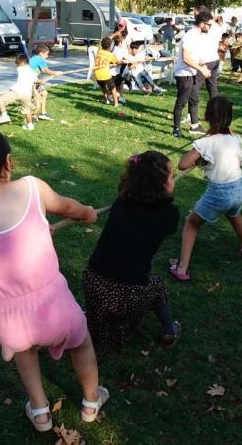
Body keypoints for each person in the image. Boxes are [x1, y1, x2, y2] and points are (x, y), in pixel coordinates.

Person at [0, 126, 108, 432]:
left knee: (25, 353)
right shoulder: (33, 188)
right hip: (55, 309)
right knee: (82, 343)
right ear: (8, 162)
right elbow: (71, 209)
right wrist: (89, 213)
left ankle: (40, 413)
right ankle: (91, 401)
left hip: (7, 323)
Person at [83, 151, 182, 355]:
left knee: (103, 321)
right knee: (156, 287)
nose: (173, 180)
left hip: (92, 280)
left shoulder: (121, 202)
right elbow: (167, 226)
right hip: (127, 293)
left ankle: (111, 328)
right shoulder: (170, 214)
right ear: (161, 184)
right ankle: (170, 331)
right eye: (171, 177)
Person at [170, 96, 242, 281]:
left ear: (207, 116)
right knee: (234, 213)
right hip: (239, 188)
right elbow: (236, 153)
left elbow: (183, 164)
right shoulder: (234, 139)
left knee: (192, 223)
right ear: (230, 118)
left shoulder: (205, 143)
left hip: (220, 192)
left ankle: (181, 268)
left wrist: (199, 156)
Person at [171, 12, 213, 138]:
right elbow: (186, 58)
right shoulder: (190, 36)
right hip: (184, 74)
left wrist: (203, 65)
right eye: (208, 25)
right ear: (201, 24)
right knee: (181, 102)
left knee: (194, 100)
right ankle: (176, 129)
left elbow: (197, 56)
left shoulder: (199, 36)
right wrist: (201, 69)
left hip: (192, 73)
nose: (210, 27)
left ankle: (195, 126)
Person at [0, 54, 40, 131]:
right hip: (27, 94)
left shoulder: (20, 68)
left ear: (21, 63)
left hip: (17, 91)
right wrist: (55, 74)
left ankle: (5, 116)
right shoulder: (33, 72)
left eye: (17, 63)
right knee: (27, 110)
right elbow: (37, 81)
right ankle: (30, 125)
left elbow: (21, 66)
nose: (16, 64)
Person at [29, 45, 63, 122]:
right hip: (31, 83)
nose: (47, 56)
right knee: (36, 98)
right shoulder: (39, 59)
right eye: (46, 54)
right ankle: (32, 116)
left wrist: (52, 73)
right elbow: (47, 71)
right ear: (41, 53)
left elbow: (43, 70)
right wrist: (56, 73)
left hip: (34, 81)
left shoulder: (34, 58)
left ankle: (43, 113)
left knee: (44, 93)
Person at [92, 37, 121, 107]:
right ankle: (116, 103)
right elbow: (117, 62)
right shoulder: (110, 54)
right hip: (105, 74)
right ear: (110, 46)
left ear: (102, 45)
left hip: (97, 74)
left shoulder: (98, 52)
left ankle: (106, 100)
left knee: (103, 87)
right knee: (113, 88)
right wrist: (119, 62)